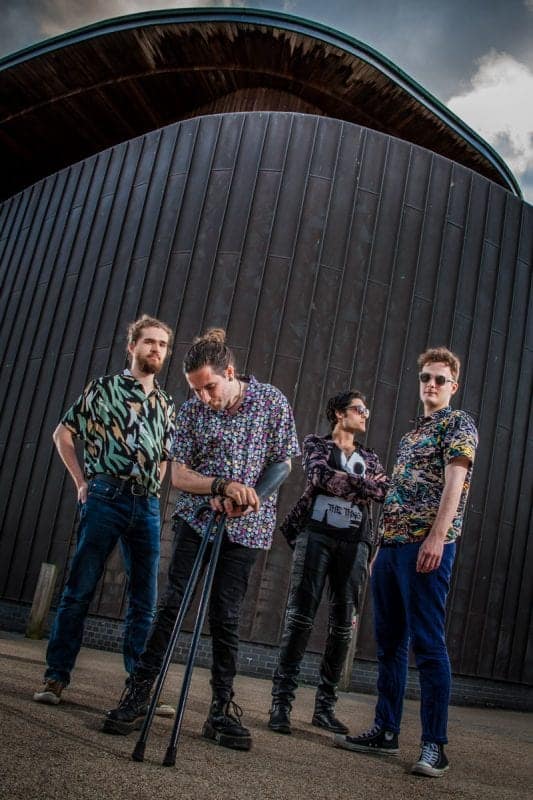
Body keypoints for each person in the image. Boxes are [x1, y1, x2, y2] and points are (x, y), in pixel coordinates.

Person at [103, 328, 300, 750]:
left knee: (226, 615)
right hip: (197, 520)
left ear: (229, 372)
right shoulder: (192, 411)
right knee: (172, 604)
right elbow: (177, 474)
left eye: (209, 387)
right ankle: (138, 694)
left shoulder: (271, 401)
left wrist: (250, 497)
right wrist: (220, 486)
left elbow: (283, 462)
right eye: (196, 389)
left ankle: (221, 710)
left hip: (246, 528)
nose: (204, 397)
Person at [335, 347, 478, 778]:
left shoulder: (458, 424)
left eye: (439, 379)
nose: (430, 385)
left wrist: (437, 536)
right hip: (392, 548)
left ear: (453, 386)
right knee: (390, 642)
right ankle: (386, 730)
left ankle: (435, 745)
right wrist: (380, 548)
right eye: (425, 378)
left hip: (426, 546)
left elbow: (456, 484)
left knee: (428, 644)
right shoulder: (411, 435)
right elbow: (396, 496)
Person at [33, 315, 176, 706]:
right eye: (149, 342)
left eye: (162, 344)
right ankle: (55, 677)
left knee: (144, 601)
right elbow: (63, 434)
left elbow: (165, 454)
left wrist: (155, 484)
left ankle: (139, 689)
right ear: (132, 347)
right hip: (105, 496)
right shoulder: (102, 389)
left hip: (146, 505)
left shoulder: (166, 403)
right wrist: (82, 482)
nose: (156, 349)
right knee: (79, 590)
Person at [268, 391, 389, 736]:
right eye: (359, 408)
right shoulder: (315, 444)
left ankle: (325, 708)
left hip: (355, 543)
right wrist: (364, 486)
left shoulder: (370, 456)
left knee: (343, 625)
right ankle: (281, 704)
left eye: (367, 410)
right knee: (300, 617)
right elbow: (320, 477)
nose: (365, 414)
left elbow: (385, 491)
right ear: (338, 413)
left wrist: (354, 486)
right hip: (316, 536)